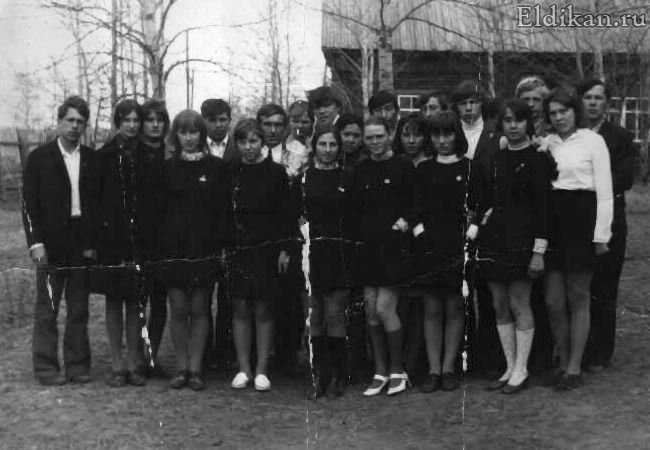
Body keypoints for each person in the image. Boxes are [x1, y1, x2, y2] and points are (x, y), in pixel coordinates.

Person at [474, 99, 551, 394]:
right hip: (495, 240)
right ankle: (509, 366)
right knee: (499, 304)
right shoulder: (496, 158)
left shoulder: (538, 159)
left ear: (528, 123)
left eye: (519, 120)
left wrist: (538, 252)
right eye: (508, 120)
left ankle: (522, 368)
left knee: (520, 303)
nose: (513, 126)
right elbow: (487, 201)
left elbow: (543, 211)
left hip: (523, 242)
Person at [22, 96, 97, 386]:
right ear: (59, 121)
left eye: (80, 122)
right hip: (50, 242)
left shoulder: (91, 158)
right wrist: (35, 243)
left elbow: (97, 206)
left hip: (80, 242)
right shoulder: (39, 158)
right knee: (47, 309)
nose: (75, 126)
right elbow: (29, 205)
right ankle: (46, 368)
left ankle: (77, 366)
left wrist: (91, 243)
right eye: (70, 120)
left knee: (78, 309)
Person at [542, 88, 613, 390]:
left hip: (582, 219)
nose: (559, 117)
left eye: (564, 111)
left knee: (578, 298)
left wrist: (601, 235)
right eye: (553, 113)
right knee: (553, 301)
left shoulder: (593, 141)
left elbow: (605, 192)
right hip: (553, 221)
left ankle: (574, 367)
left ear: (575, 111)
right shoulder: (547, 143)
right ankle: (562, 361)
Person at [158, 110, 232, 390]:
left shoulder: (216, 168)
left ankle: (196, 368)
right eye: (183, 132)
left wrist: (222, 246)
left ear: (201, 134)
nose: (188, 138)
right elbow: (159, 212)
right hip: (173, 248)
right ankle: (181, 367)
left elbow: (223, 211)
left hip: (205, 247)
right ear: (175, 135)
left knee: (201, 307)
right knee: (178, 308)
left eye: (193, 132)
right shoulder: (167, 168)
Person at [412, 110, 478, 392]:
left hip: (458, 248)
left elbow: (479, 207)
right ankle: (433, 369)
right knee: (432, 309)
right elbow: (414, 209)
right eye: (436, 135)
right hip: (429, 249)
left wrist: (469, 237)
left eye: (447, 134)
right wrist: (422, 237)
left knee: (454, 308)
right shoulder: (423, 170)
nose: (442, 140)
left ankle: (449, 368)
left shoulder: (470, 168)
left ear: (457, 135)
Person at [228, 118, 293, 392]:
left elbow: (286, 214)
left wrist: (284, 249)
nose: (248, 147)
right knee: (240, 307)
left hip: (267, 248)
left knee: (264, 308)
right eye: (243, 141)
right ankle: (244, 368)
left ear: (262, 142)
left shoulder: (276, 172)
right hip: (238, 247)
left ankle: (262, 370)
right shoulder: (230, 171)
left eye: (253, 141)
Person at [352, 116, 414, 396]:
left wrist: (404, 223)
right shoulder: (361, 169)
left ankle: (398, 370)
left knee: (384, 309)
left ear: (390, 135)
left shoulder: (403, 166)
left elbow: (416, 203)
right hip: (368, 249)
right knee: (371, 313)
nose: (375, 142)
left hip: (394, 249)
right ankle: (380, 371)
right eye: (370, 138)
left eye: (379, 136)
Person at [578, 79, 636, 372]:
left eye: (598, 98)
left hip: (611, 219)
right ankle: (577, 350)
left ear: (607, 104)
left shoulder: (620, 137)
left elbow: (624, 178)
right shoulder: (571, 133)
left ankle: (600, 353)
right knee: (578, 286)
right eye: (587, 97)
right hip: (576, 219)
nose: (592, 102)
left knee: (604, 286)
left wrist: (583, 181)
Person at [451, 80, 502, 379]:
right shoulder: (450, 134)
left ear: (481, 103)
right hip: (455, 224)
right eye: (463, 103)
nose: (469, 108)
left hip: (488, 222)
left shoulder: (495, 136)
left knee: (489, 293)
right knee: (462, 294)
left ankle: (491, 358)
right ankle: (465, 357)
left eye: (473, 101)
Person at [97, 99, 149, 388]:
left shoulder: (147, 154)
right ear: (117, 122)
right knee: (114, 300)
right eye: (126, 120)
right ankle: (117, 364)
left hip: (139, 238)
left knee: (135, 300)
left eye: (135, 120)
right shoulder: (104, 155)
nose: (131, 125)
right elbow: (94, 200)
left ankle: (133, 363)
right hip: (112, 239)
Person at [257, 103, 308, 372]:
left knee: (288, 295)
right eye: (267, 124)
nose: (273, 130)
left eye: (278, 124)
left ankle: (287, 354)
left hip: (287, 232)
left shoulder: (298, 153)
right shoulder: (250, 150)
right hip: (257, 234)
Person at [303, 126, 354, 397]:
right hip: (312, 252)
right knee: (315, 315)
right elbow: (298, 216)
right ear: (314, 146)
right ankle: (318, 375)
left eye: (332, 144)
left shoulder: (348, 176)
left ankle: (338, 374)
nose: (327, 149)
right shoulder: (304, 177)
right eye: (322, 144)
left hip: (339, 252)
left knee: (334, 313)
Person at [200, 98, 236, 372]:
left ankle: (224, 350)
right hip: (202, 232)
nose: (218, 125)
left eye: (223, 119)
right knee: (201, 296)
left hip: (230, 230)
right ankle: (203, 352)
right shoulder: (194, 148)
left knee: (227, 295)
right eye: (212, 120)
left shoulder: (238, 147)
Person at [138, 99, 169, 377]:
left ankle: (151, 356)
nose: (155, 124)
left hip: (165, 239)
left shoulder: (171, 154)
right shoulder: (131, 153)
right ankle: (137, 358)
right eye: (150, 119)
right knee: (138, 300)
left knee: (160, 302)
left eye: (160, 119)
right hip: (138, 238)